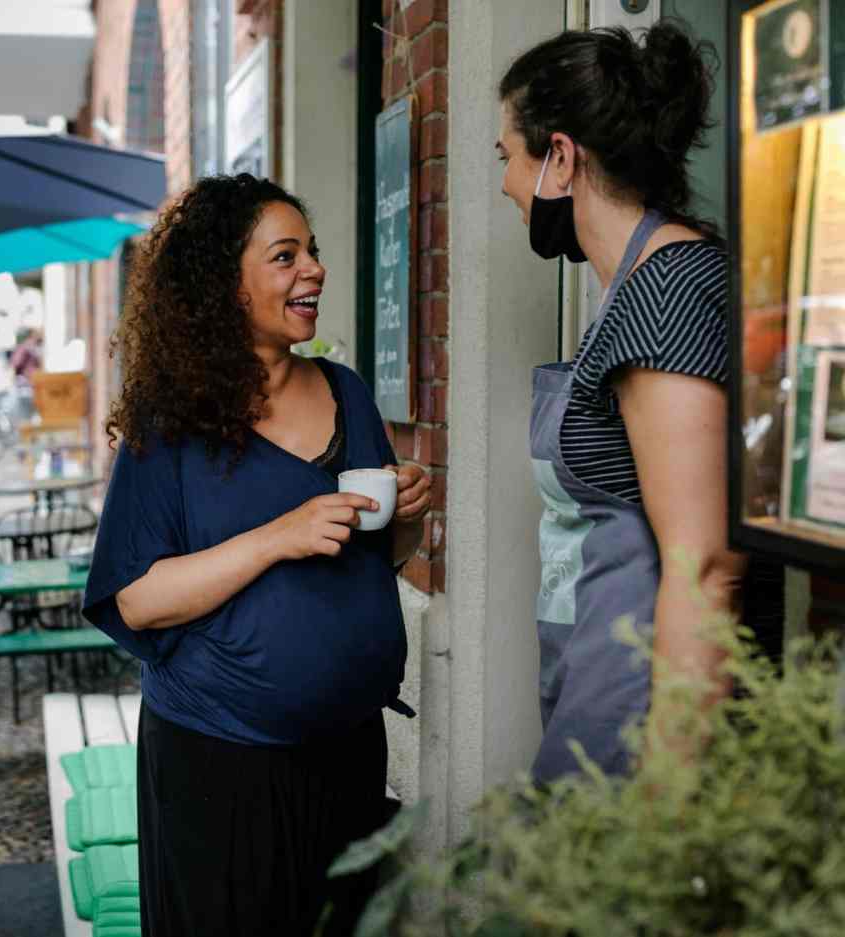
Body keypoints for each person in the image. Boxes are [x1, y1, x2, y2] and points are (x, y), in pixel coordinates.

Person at [82, 174, 428, 936]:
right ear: (224, 285)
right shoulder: (170, 425)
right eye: (285, 256)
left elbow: (377, 559)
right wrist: (279, 535)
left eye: (313, 251)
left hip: (347, 754)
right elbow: (136, 596)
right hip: (220, 764)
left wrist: (407, 521)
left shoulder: (348, 393)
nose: (314, 270)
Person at [496, 20, 784, 784]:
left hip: (646, 733)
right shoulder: (633, 288)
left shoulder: (669, 288)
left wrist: (669, 805)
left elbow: (709, 566)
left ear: (560, 157)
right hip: (600, 700)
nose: (505, 184)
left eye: (508, 157)